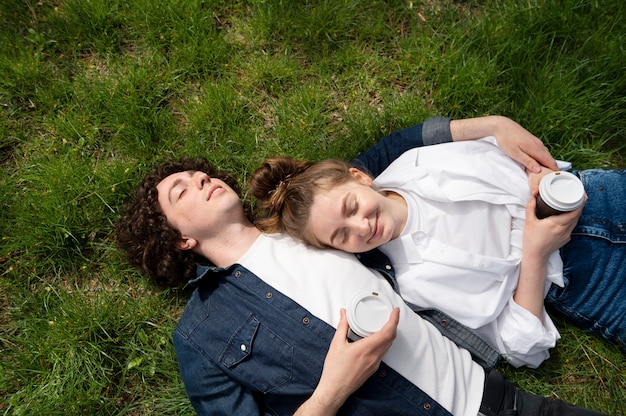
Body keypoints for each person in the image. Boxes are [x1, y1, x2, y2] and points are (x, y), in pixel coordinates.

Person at [116, 116, 605, 415]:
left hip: (501, 399)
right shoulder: (202, 335)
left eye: (199, 174)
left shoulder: (311, 224)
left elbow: (388, 154)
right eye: (183, 190)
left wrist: (491, 125)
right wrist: (333, 390)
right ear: (180, 239)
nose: (200, 180)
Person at [250, 133, 626, 369]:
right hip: (588, 281)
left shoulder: (419, 163)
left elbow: (506, 152)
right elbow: (523, 348)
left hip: (595, 196)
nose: (362, 227)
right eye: (341, 236)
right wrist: (535, 253)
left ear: (360, 177)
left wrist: (537, 176)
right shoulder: (417, 286)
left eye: (351, 208)